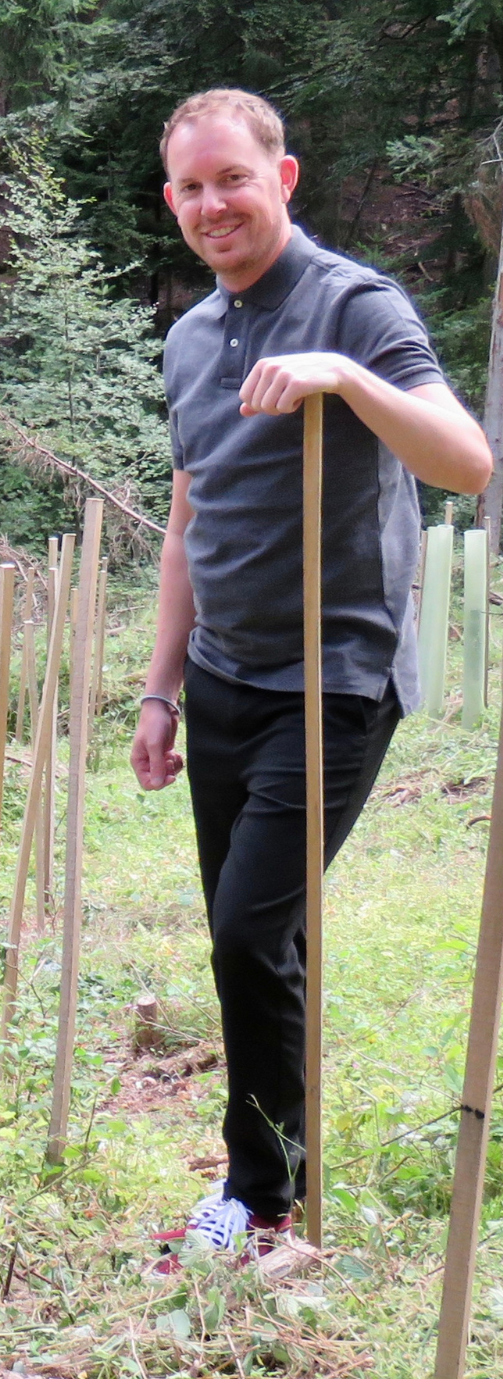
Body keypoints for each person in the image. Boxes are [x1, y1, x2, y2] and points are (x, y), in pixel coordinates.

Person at [134, 90, 491, 1262]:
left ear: (281, 180)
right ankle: (264, 1170)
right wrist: (159, 687)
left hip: (334, 676)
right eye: (188, 186)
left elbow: (468, 464)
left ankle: (263, 1196)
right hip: (227, 677)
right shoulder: (190, 336)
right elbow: (190, 515)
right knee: (250, 938)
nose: (209, 205)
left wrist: (343, 375)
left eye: (230, 178)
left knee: (247, 930)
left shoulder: (355, 304)